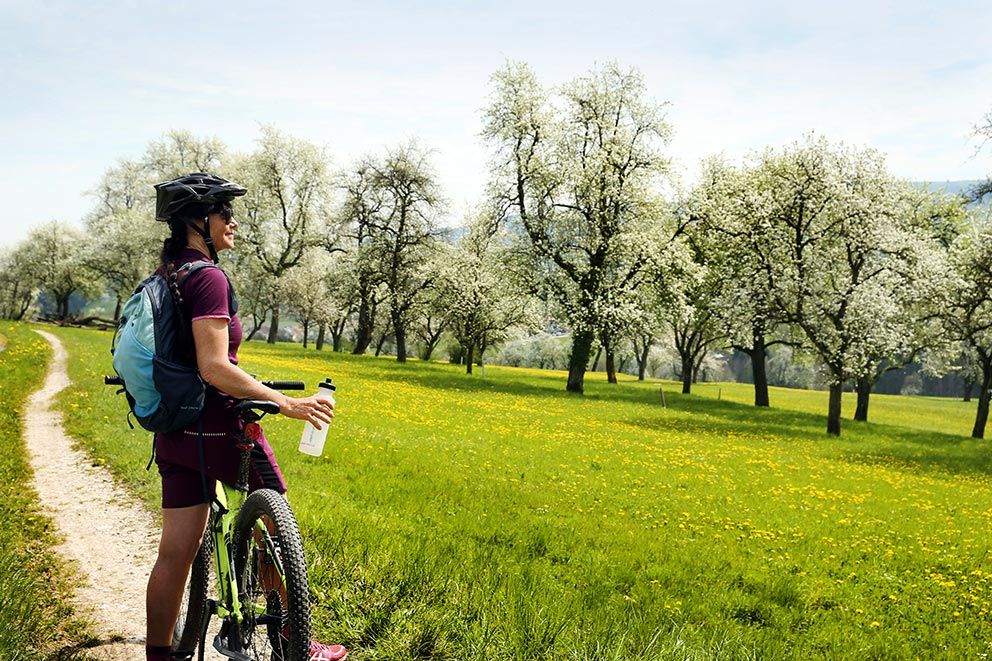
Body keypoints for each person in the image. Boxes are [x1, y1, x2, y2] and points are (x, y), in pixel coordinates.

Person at [145, 173, 347, 661]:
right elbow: (215, 367)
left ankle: (159, 655)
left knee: (174, 554)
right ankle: (291, 641)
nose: (232, 222)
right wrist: (286, 402)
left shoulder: (165, 274)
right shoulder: (209, 278)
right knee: (276, 522)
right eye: (225, 212)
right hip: (219, 427)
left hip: (174, 429)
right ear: (198, 221)